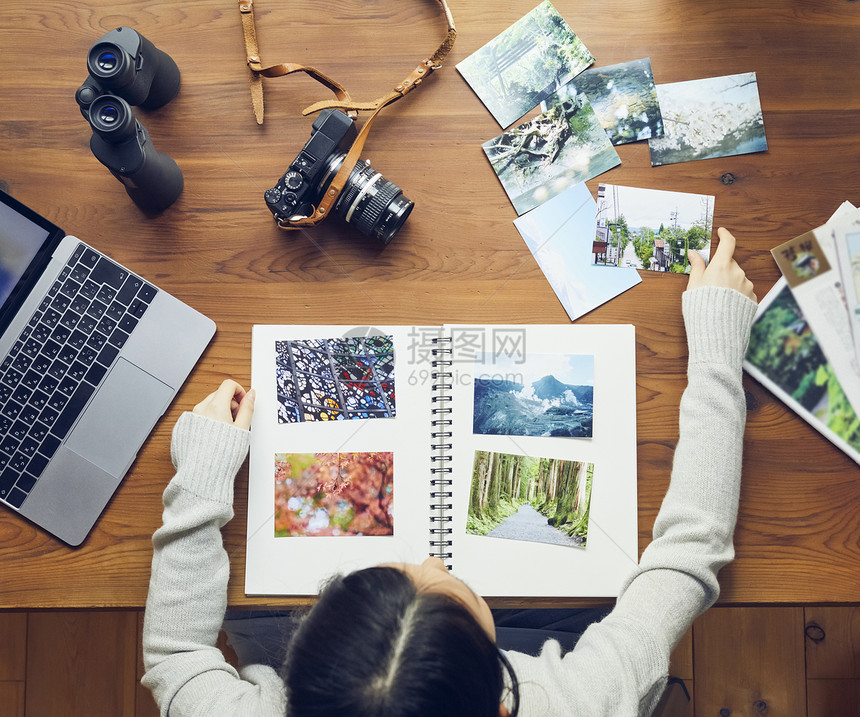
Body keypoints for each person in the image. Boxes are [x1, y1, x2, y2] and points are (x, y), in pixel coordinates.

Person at [141, 227, 758, 716]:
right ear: (498, 700)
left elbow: (175, 657)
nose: (433, 561)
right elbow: (690, 552)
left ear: (296, 668)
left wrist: (202, 471)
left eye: (404, 569)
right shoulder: (579, 704)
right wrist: (717, 349)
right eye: (447, 584)